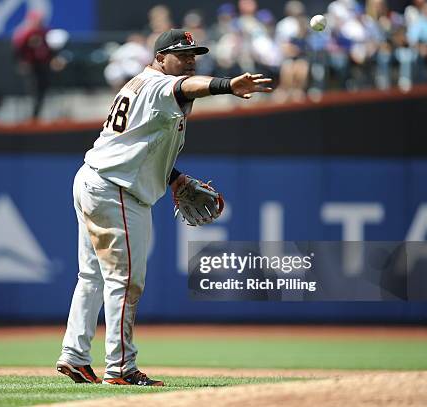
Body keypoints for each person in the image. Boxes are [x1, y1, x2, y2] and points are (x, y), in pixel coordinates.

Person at [56, 29, 273, 386]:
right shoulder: (158, 84)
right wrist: (227, 85)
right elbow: (186, 88)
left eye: (193, 55)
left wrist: (173, 179)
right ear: (159, 57)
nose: (189, 61)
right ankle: (120, 368)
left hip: (95, 179)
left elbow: (139, 146)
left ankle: (75, 355)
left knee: (92, 277)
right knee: (125, 281)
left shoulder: (138, 86)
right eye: (181, 54)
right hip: (116, 190)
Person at [12, 11, 52, 119]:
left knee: (42, 89)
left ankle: (36, 114)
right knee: (32, 89)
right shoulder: (25, 33)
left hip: (43, 65)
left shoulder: (44, 32)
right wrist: (21, 62)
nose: (39, 22)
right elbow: (18, 50)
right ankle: (31, 115)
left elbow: (50, 49)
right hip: (31, 65)